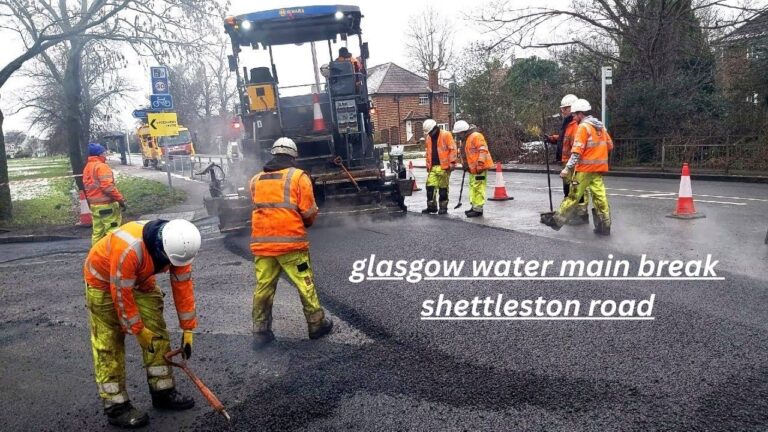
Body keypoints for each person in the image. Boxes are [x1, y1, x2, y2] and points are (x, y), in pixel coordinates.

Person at [83, 219, 202, 428]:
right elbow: (121, 295)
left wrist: (188, 327)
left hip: (140, 279)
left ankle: (162, 391)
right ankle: (116, 405)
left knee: (157, 332)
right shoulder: (129, 249)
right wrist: (137, 329)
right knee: (109, 342)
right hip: (103, 281)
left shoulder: (180, 247)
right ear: (159, 247)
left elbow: (183, 287)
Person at [249, 137, 333, 346]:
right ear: (294, 155)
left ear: (273, 154)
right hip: (291, 245)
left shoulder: (255, 180)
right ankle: (316, 325)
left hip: (263, 245)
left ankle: (260, 332)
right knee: (305, 283)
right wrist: (308, 222)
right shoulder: (298, 177)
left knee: (263, 287)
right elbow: (309, 211)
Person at [541, 99, 614, 235]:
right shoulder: (600, 127)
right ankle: (604, 226)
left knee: (573, 195)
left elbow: (576, 152)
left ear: (580, 114)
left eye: (574, 115)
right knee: (600, 197)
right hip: (598, 170)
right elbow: (610, 146)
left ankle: (556, 221)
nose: (573, 117)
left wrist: (566, 168)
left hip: (584, 170)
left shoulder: (583, 127)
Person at [545, 94, 589, 224]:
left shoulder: (576, 125)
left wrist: (572, 163)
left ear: (572, 108)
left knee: (576, 188)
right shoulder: (568, 123)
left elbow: (577, 145)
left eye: (565, 108)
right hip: (567, 161)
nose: (562, 111)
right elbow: (565, 138)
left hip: (574, 162)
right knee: (568, 187)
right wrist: (552, 138)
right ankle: (573, 213)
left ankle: (580, 215)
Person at [83, 143, 126, 244]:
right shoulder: (101, 167)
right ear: (100, 154)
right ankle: (114, 255)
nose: (106, 155)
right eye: (104, 152)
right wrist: (120, 200)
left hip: (95, 206)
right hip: (106, 206)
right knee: (113, 231)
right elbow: (107, 187)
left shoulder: (87, 167)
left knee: (98, 232)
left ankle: (96, 255)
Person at [453, 121, 494, 217]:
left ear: (463, 131)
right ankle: (474, 206)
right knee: (473, 186)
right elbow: (467, 154)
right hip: (473, 169)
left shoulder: (476, 136)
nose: (457, 136)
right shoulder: (466, 139)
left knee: (478, 187)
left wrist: (480, 164)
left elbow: (483, 150)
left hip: (480, 168)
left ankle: (478, 209)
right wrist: (465, 165)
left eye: (458, 134)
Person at [422, 119, 457, 214]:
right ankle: (432, 207)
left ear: (435, 128)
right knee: (430, 188)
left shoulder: (446, 135)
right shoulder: (428, 138)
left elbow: (453, 149)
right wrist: (428, 164)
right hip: (433, 167)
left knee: (443, 189)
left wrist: (452, 162)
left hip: (444, 167)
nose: (429, 134)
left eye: (430, 132)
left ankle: (443, 207)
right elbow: (428, 153)